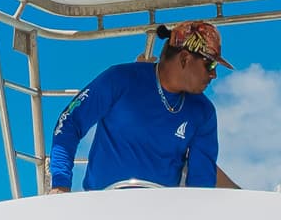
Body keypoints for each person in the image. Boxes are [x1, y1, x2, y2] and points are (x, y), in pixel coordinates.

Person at [47, 20, 236, 190]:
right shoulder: (120, 79)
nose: (214, 74)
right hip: (101, 206)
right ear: (185, 58)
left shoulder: (204, 112)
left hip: (160, 213)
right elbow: (69, 123)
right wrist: (60, 184)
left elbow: (201, 184)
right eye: (210, 65)